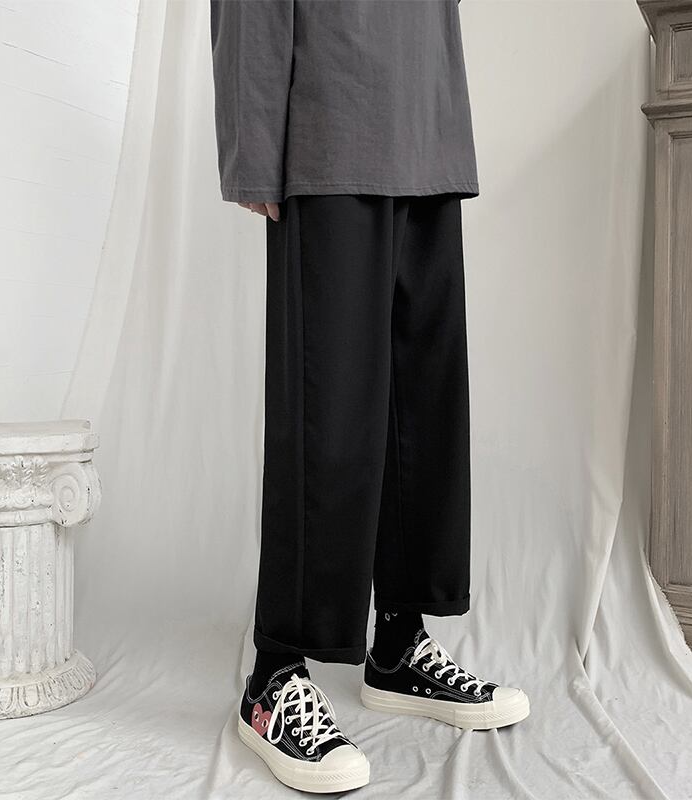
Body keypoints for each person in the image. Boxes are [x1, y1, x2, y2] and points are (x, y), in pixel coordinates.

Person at [210, 0, 529, 792]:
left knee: (425, 403)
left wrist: (445, 116)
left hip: (426, 124)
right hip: (330, 119)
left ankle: (397, 645)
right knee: (327, 413)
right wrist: (254, 143)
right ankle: (275, 676)